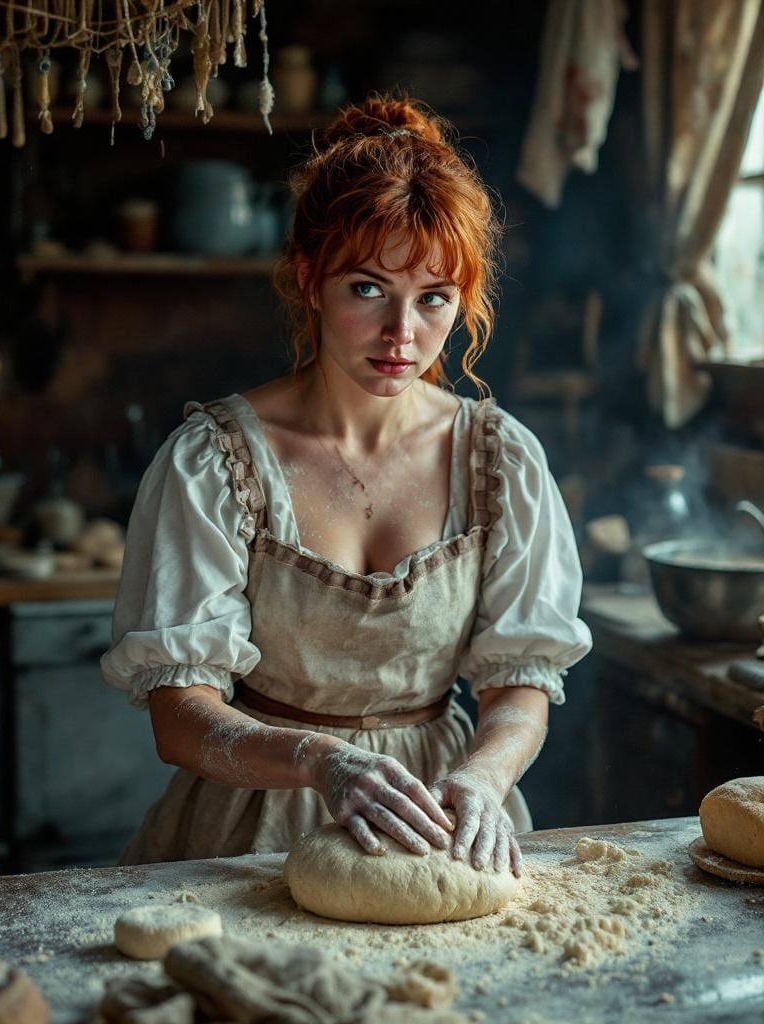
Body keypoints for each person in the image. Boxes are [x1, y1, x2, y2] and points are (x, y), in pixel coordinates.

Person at [100, 94, 592, 876]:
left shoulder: (499, 460)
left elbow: (521, 682)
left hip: (442, 819)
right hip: (251, 823)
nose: (404, 335)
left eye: (433, 298)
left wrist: (481, 775)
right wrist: (320, 761)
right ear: (309, 277)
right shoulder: (215, 461)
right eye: (369, 288)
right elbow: (180, 717)